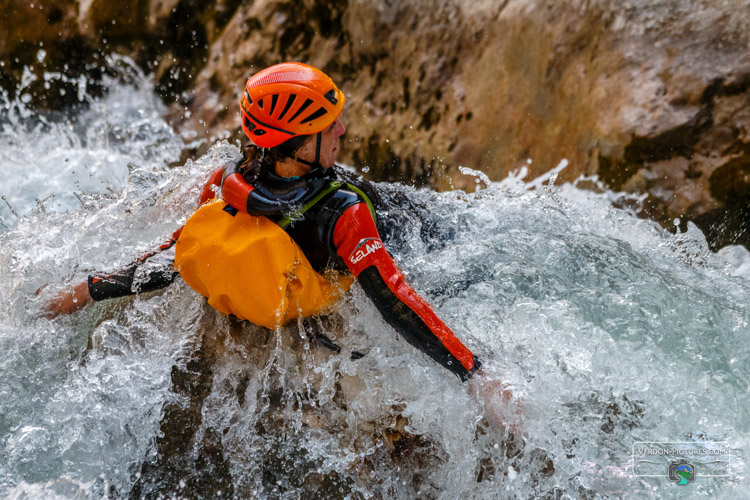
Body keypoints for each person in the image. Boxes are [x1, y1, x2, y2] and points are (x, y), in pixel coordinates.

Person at [44, 62, 482, 381]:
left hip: (425, 235)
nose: (343, 130)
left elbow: (395, 301)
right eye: (329, 125)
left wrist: (474, 375)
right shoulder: (227, 185)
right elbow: (180, 255)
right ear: (293, 145)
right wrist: (87, 291)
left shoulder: (345, 213)